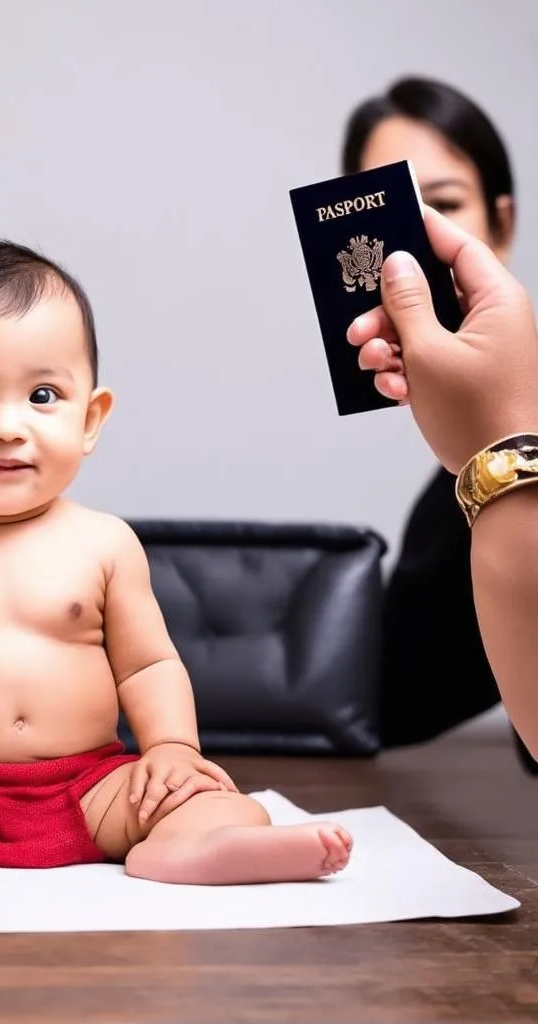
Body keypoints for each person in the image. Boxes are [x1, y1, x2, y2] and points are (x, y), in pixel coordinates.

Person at [0, 240, 353, 911]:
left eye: (43, 395)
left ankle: (192, 846)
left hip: (92, 789)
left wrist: (171, 750)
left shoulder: (105, 543)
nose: (7, 427)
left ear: (90, 419)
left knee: (211, 797)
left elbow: (148, 665)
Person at [341, 76, 536, 771]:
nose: (412, 250)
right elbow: (396, 699)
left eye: (443, 206)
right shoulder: (450, 497)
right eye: (390, 213)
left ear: (501, 226)